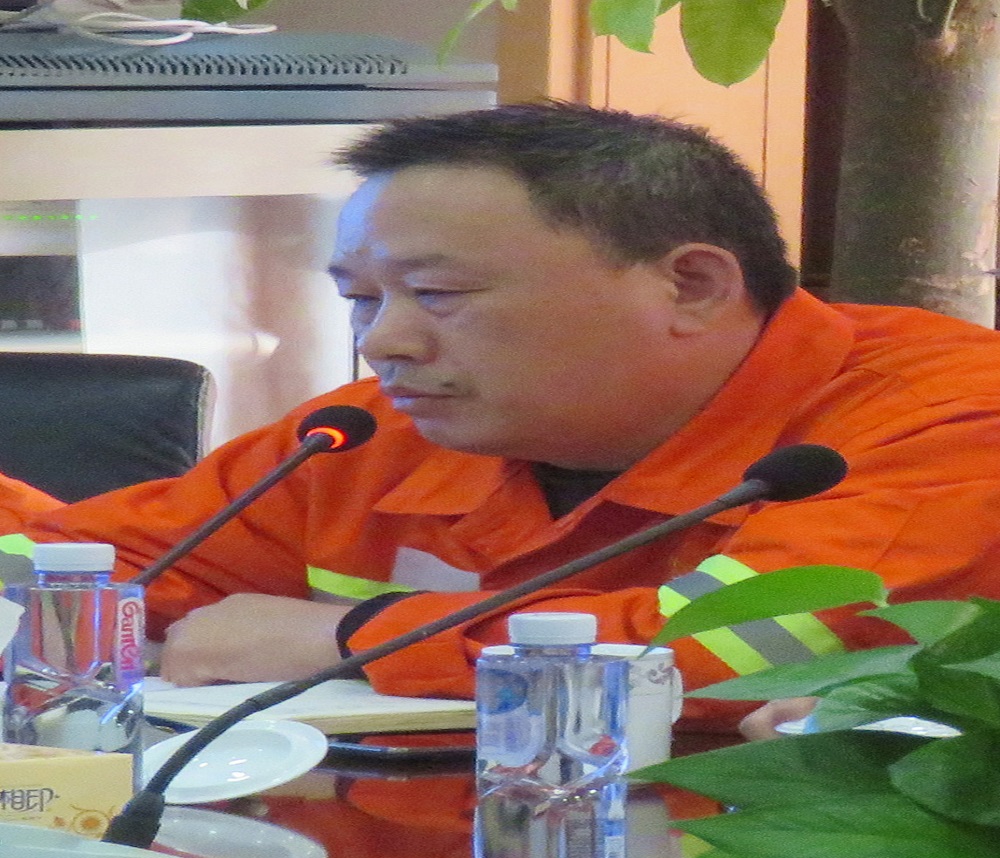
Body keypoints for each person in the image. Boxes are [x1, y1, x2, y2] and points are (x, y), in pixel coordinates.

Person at [3, 101, 1000, 734]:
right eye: (360, 298)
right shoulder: (374, 433)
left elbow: (737, 655)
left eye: (439, 295)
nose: (384, 342)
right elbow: (75, 572)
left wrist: (352, 635)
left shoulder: (950, 416)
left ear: (691, 285)